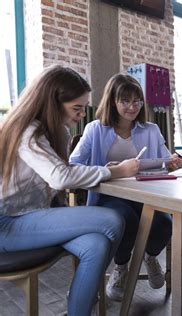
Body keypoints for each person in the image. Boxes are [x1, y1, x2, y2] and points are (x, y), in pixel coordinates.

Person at [0, 65, 139, 315]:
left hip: (28, 215)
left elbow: (60, 171)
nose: (80, 115)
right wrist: (115, 171)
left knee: (96, 245)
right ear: (52, 103)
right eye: (76, 108)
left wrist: (101, 168)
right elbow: (60, 177)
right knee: (112, 219)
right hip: (6, 223)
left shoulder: (54, 132)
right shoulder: (27, 131)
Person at [69, 73, 182, 301]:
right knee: (125, 220)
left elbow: (165, 160)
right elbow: (73, 165)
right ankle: (121, 266)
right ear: (113, 101)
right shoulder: (95, 129)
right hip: (109, 197)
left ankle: (150, 257)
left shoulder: (150, 129)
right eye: (125, 101)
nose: (133, 107)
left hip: (145, 194)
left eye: (137, 101)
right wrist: (108, 169)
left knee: (164, 224)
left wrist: (174, 161)